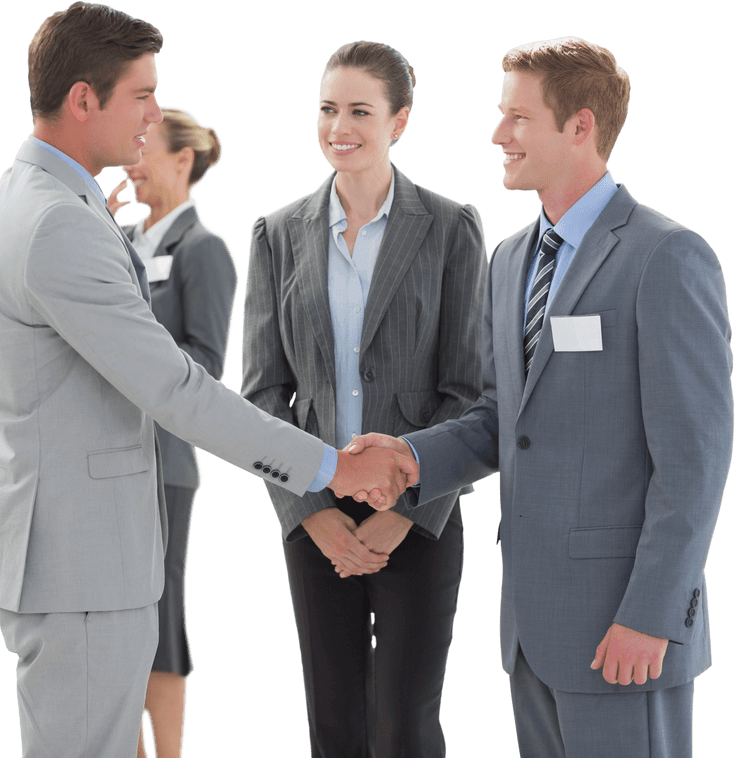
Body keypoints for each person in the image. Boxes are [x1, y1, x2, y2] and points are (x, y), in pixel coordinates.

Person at [0, 4, 417, 756]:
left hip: (74, 552)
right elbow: (179, 388)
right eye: (141, 95)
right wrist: (334, 465)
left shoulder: (50, 199)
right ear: (85, 99)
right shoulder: (58, 222)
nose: (154, 114)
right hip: (79, 563)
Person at [351, 37, 731, 757]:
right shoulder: (511, 259)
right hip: (533, 627)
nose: (499, 135)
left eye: (518, 118)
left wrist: (651, 615)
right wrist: (408, 455)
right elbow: (504, 420)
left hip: (626, 632)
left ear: (580, 126)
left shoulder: (667, 257)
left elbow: (696, 460)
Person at [240, 41, 487, 757]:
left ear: (399, 121)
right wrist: (309, 513)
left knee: (405, 724)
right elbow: (264, 391)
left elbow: (468, 390)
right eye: (326, 108)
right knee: (333, 724)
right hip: (314, 511)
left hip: (418, 512)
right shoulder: (277, 234)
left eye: (358, 110)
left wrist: (405, 512)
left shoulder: (449, 227)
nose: (337, 126)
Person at [109, 107, 236, 758]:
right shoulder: (117, 237)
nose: (128, 162)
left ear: (182, 161)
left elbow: (207, 370)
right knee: (112, 623)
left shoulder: (203, 250)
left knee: (157, 619)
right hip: (103, 462)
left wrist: (129, 336)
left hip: (161, 466)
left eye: (142, 149)